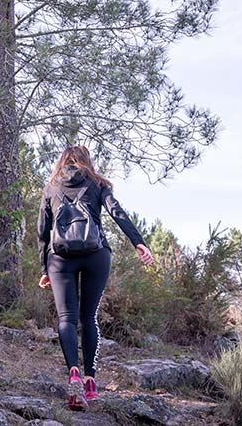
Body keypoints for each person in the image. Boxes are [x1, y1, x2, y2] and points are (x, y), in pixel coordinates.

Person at [37, 145, 154, 410]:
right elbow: (117, 212)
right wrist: (139, 243)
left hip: (60, 256)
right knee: (88, 318)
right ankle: (90, 383)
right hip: (96, 254)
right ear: (87, 161)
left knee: (66, 318)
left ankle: (74, 373)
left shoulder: (50, 188)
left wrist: (44, 269)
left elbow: (43, 233)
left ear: (62, 162)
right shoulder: (98, 183)